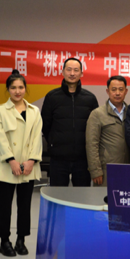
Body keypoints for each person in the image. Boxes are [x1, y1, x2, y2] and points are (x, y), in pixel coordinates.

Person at [0, 70, 42, 257]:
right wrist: (11, 160)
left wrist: (31, 161)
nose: (17, 91)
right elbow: (0, 138)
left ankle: (21, 240)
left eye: (21, 87)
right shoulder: (1, 110)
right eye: (13, 88)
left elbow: (37, 137)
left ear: (26, 89)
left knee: (25, 205)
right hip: (7, 166)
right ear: (8, 89)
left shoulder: (34, 111)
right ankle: (4, 241)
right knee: (4, 205)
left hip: (28, 166)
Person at [41, 57, 99, 186]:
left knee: (82, 195)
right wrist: (54, 143)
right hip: (58, 158)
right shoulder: (52, 97)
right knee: (57, 195)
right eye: (69, 70)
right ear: (62, 72)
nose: (72, 73)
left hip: (83, 158)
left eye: (76, 70)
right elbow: (45, 125)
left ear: (81, 73)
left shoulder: (90, 98)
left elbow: (95, 128)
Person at [86, 75, 130, 186]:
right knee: (105, 197)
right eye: (113, 89)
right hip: (106, 170)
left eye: (121, 89)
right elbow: (91, 144)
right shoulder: (97, 114)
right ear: (107, 91)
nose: (117, 93)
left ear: (126, 91)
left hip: (129, 168)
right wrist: (95, 171)